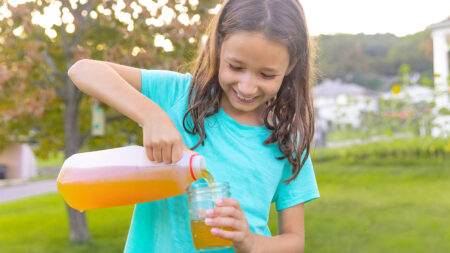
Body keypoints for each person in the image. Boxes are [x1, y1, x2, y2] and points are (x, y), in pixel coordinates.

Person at [68, 0, 319, 252]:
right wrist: (151, 115)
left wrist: (251, 242)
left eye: (266, 75)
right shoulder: (177, 96)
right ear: (218, 47)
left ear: (292, 64)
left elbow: (294, 242)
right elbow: (83, 70)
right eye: (236, 67)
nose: (247, 87)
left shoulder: (287, 141)